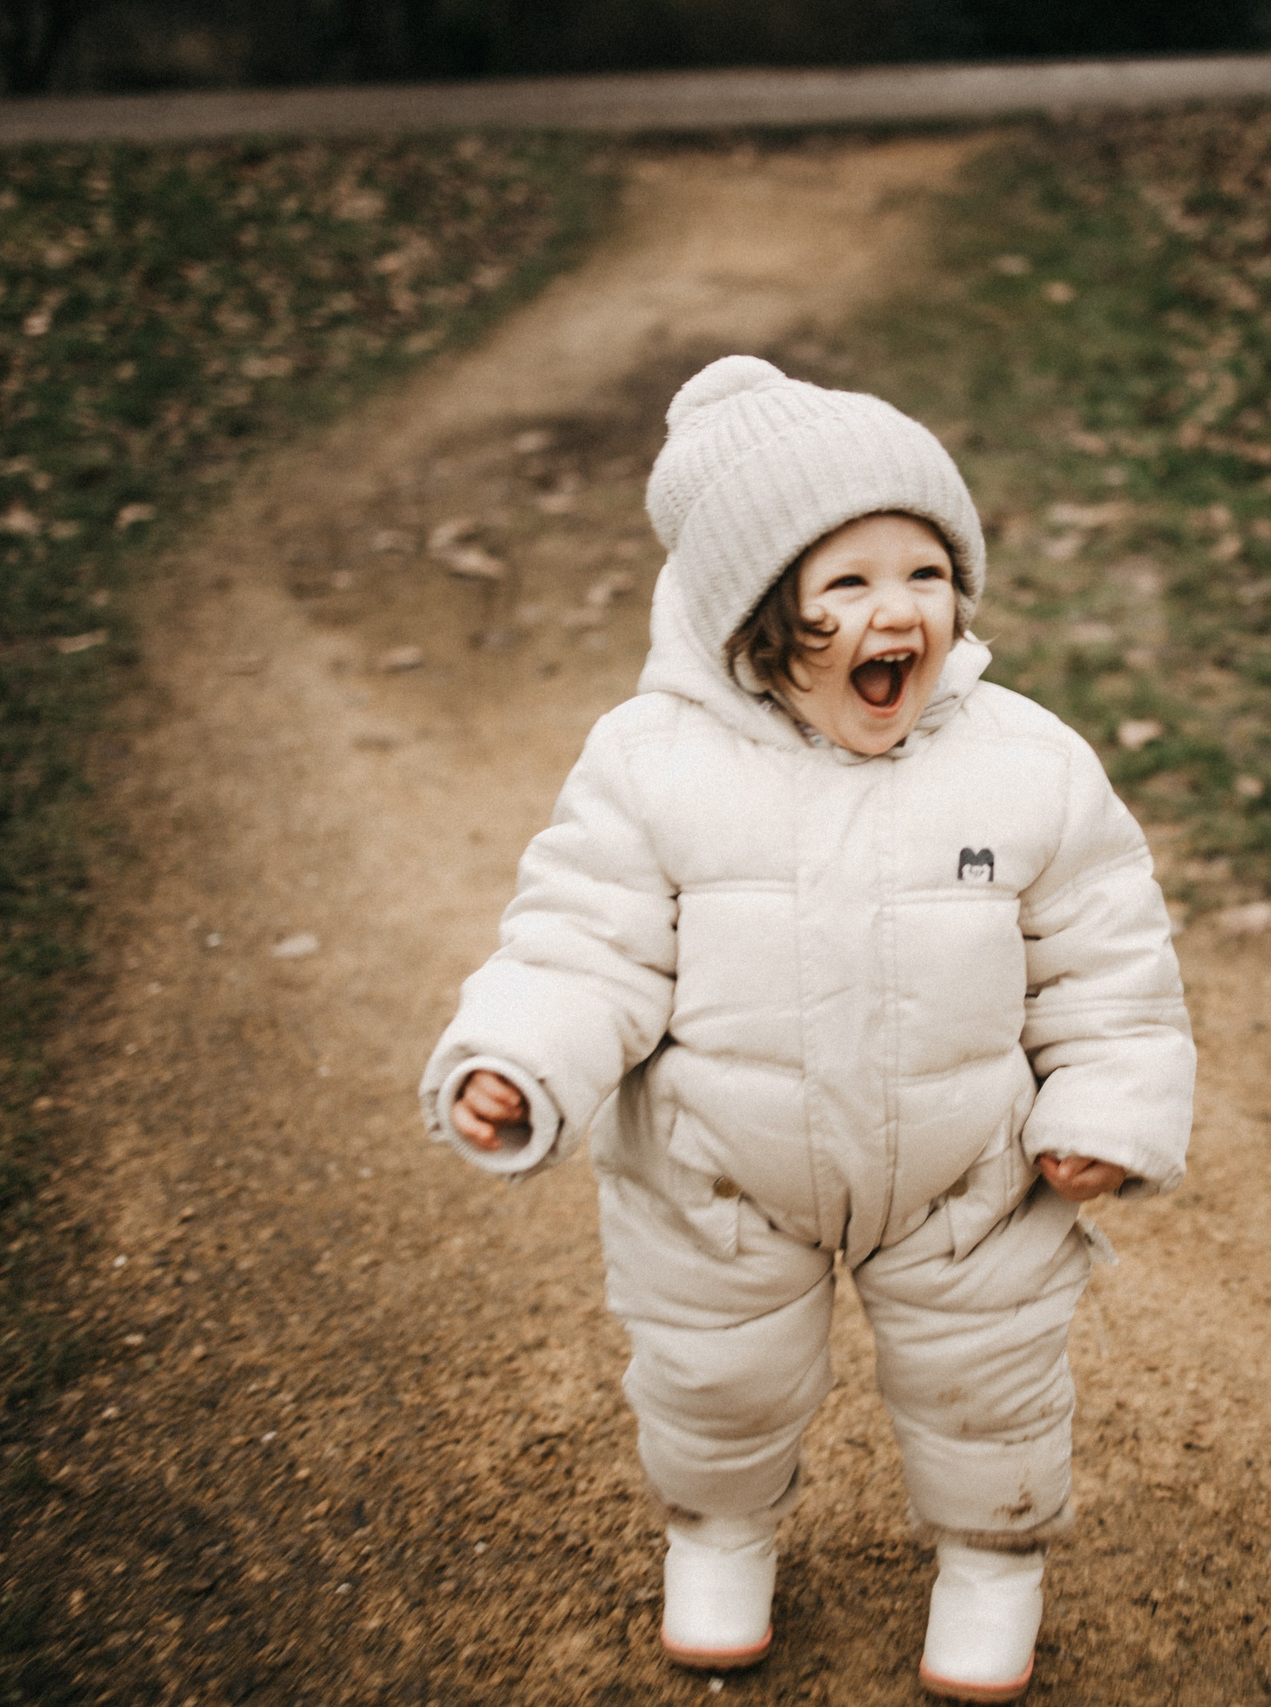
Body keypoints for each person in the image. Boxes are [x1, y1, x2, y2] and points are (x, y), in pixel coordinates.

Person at [419, 355, 1194, 1702]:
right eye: (846, 583)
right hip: (719, 1171)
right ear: (754, 620)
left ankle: (994, 1560)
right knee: (715, 1379)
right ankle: (720, 1536)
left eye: (927, 574)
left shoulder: (1028, 763)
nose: (899, 610)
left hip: (968, 1175)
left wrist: (1103, 1111)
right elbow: (581, 940)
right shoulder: (651, 765)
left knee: (990, 1383)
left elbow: (1107, 961)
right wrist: (516, 1059)